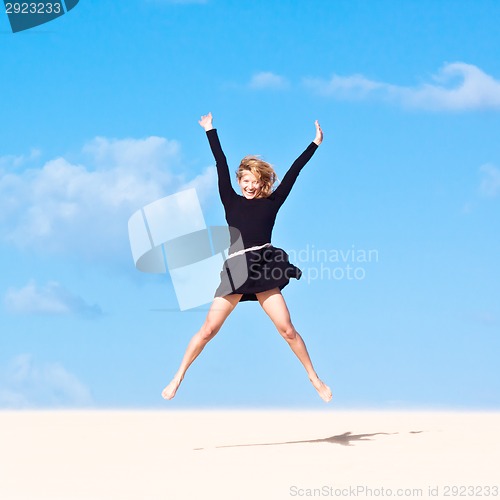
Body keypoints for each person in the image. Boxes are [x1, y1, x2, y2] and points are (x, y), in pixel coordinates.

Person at [162, 112, 332, 402]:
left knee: (287, 330)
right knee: (207, 330)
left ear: (261, 182)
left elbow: (294, 172)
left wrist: (314, 143)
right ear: (239, 181)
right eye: (245, 181)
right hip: (237, 269)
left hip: (264, 267)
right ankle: (178, 377)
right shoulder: (230, 199)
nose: (250, 186)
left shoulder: (273, 202)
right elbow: (220, 163)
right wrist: (210, 129)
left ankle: (313, 377)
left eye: (254, 181)